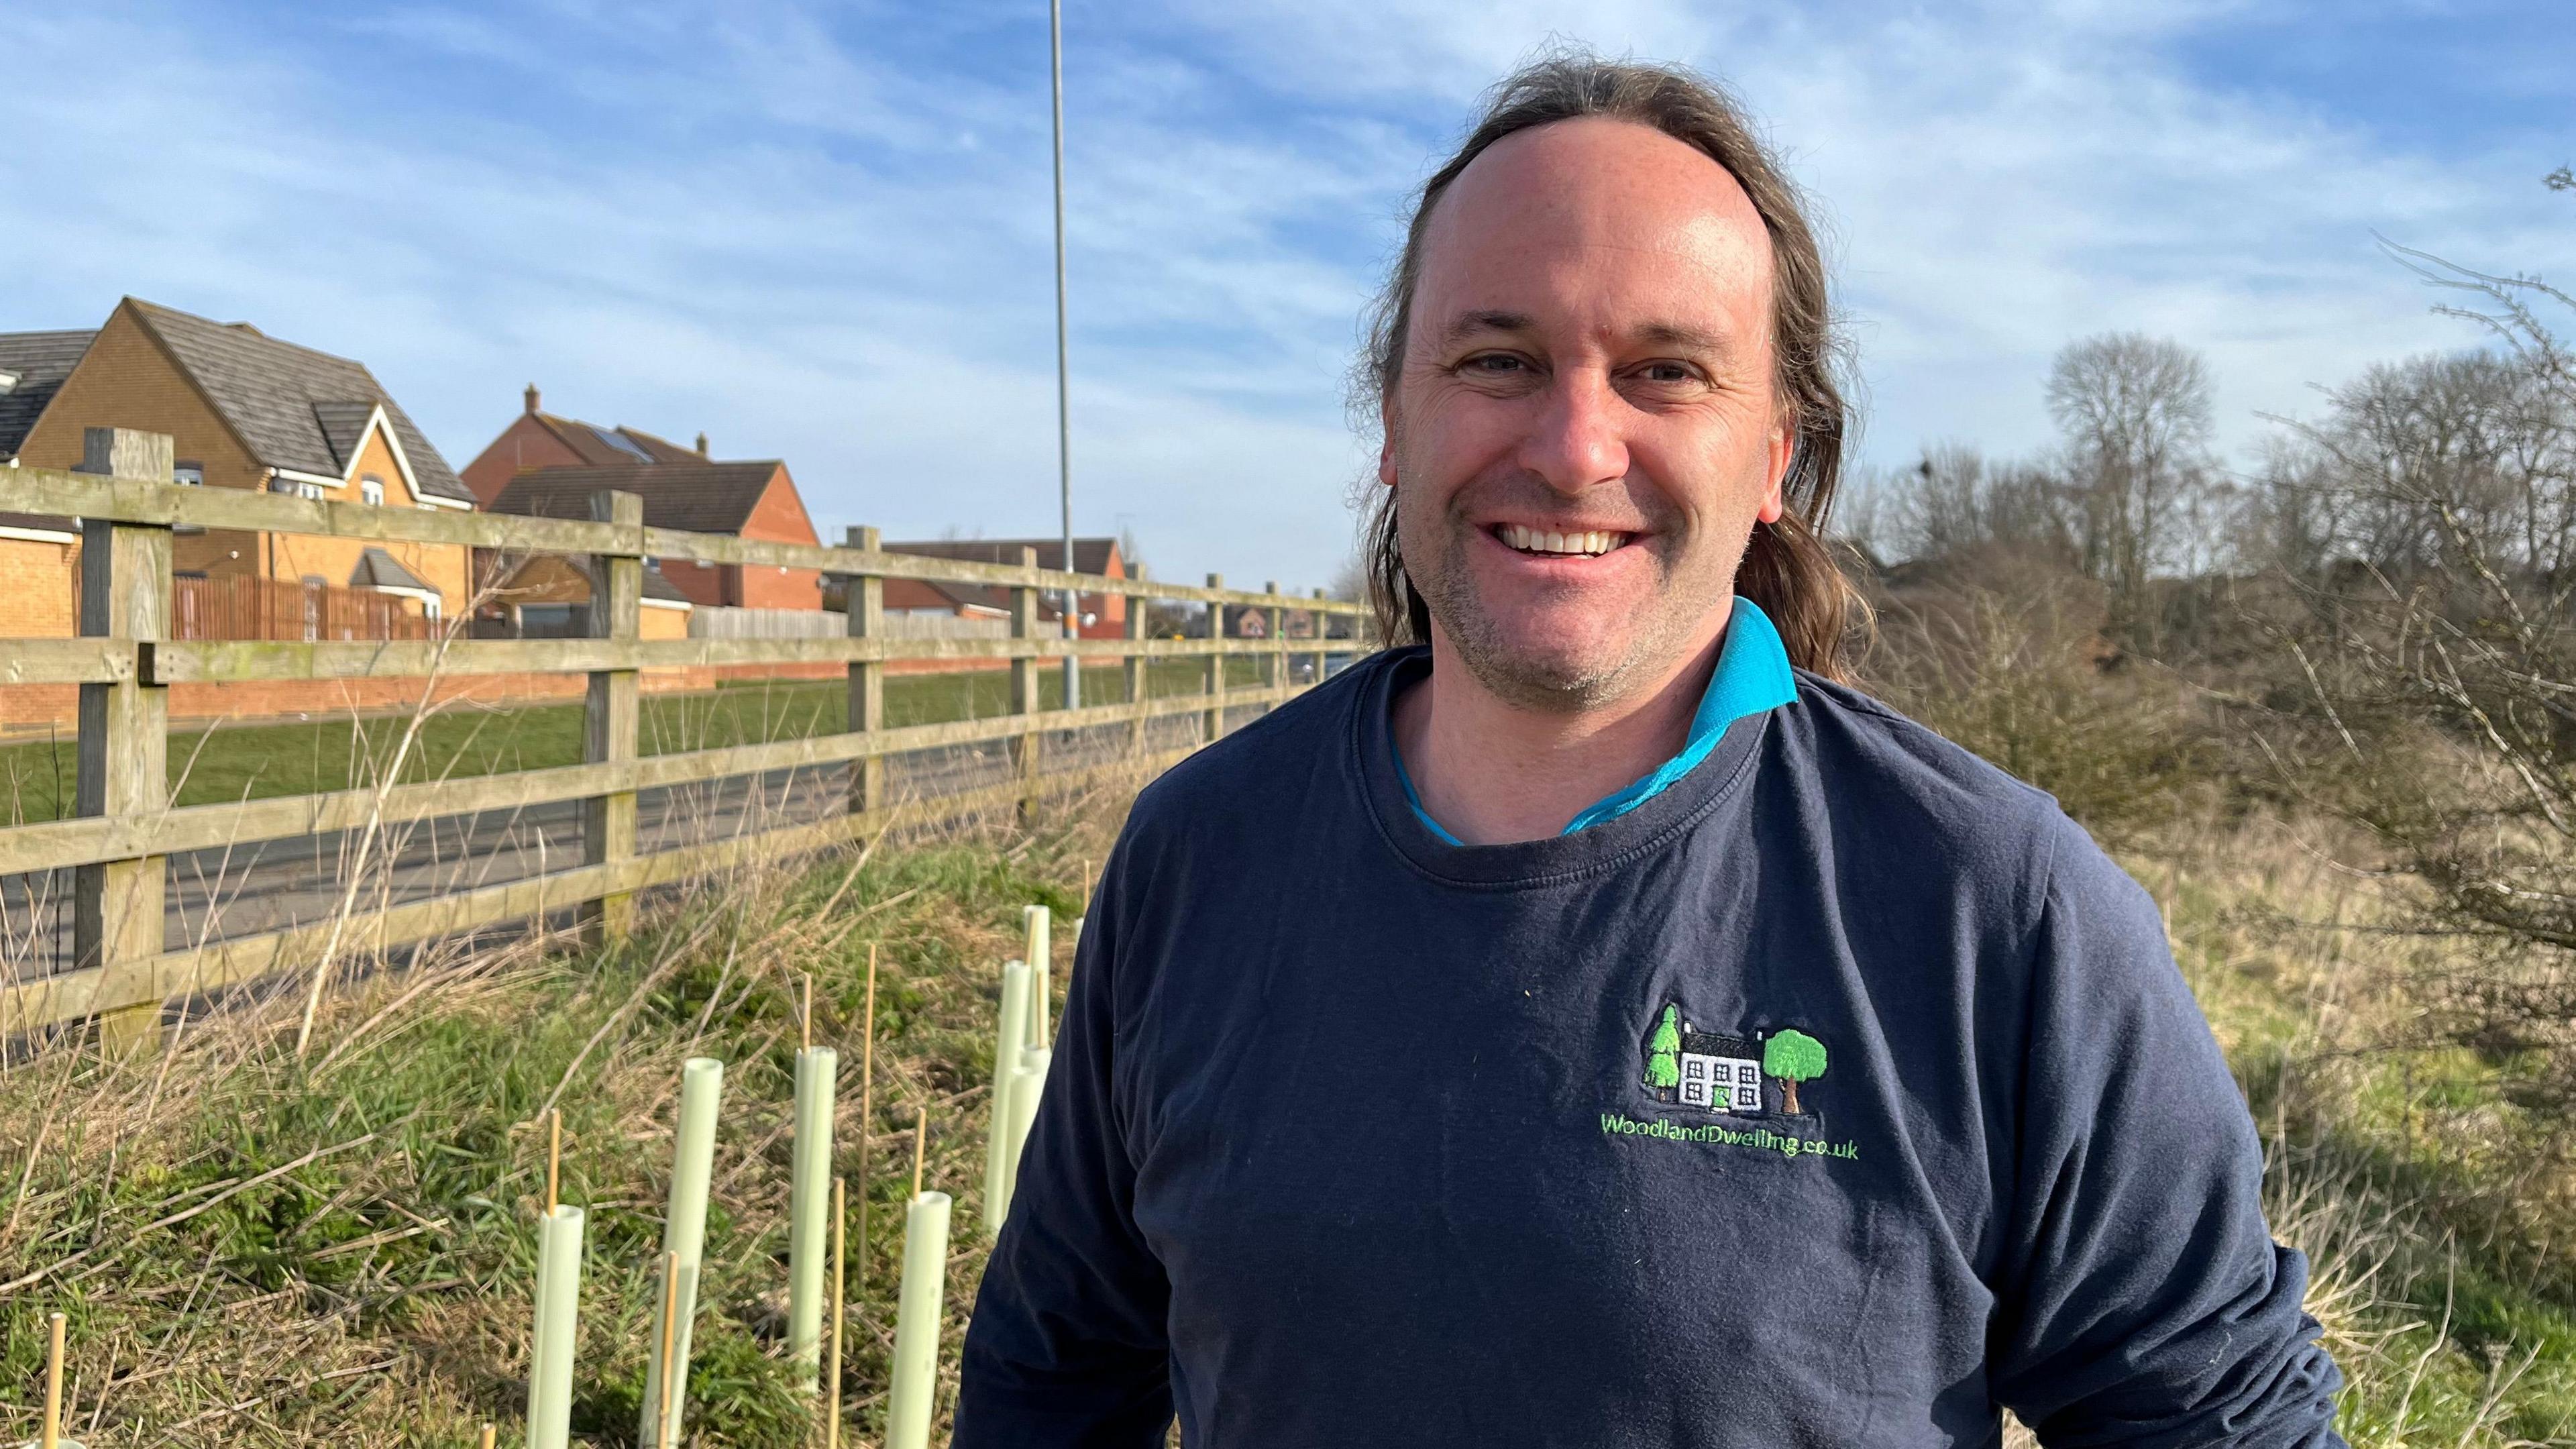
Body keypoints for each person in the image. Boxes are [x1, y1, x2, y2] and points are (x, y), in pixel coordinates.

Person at [955, 53, 2345, 1447]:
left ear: (1775, 462)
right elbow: (1054, 1374)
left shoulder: (1993, 904)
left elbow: (2221, 1423)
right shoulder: (1202, 852)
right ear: (1394, 417)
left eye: (1665, 372)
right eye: (1498, 359)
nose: (1573, 447)